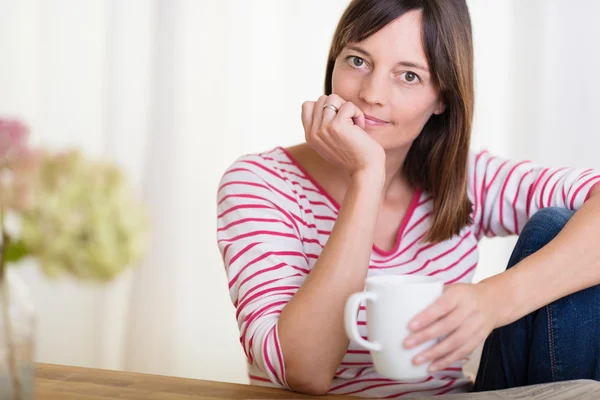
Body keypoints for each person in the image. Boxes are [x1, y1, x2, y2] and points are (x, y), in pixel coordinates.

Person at [216, 0, 600, 397]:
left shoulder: (466, 179)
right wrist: (366, 177)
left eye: (410, 76)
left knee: (560, 229)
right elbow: (305, 370)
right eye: (358, 61)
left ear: (442, 99)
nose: (371, 94)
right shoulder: (260, 182)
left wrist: (493, 301)